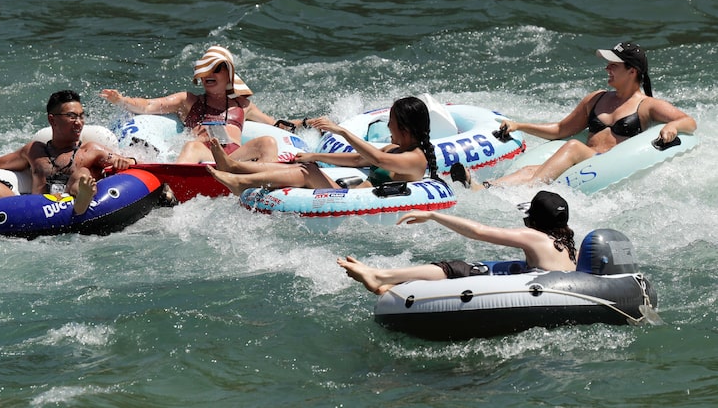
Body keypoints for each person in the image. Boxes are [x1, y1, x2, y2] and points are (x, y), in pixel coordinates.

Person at [451, 42, 697, 189]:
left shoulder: (647, 105)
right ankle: (482, 187)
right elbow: (560, 129)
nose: (606, 69)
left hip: (607, 163)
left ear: (632, 71)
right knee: (527, 170)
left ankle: (531, 191)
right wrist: (519, 125)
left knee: (571, 147)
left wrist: (673, 127)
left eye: (614, 65)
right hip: (584, 163)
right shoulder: (596, 98)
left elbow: (689, 121)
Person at [0, 90, 135, 215]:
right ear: (53, 119)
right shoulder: (35, 150)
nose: (79, 122)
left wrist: (125, 162)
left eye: (81, 115)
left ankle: (83, 198)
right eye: (71, 116)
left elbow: (127, 161)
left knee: (82, 175)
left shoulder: (91, 150)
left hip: (71, 207)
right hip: (33, 209)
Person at [337, 190, 576, 294]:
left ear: (533, 220)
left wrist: (432, 215)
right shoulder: (568, 242)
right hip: (558, 293)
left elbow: (478, 231)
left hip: (537, 295)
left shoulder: (536, 237)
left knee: (455, 268)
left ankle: (380, 276)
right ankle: (388, 285)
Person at [101, 45, 308, 164]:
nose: (210, 74)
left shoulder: (242, 104)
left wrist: (306, 124)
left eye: (217, 69)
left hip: (234, 158)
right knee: (193, 146)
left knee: (267, 142)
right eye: (206, 71)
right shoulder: (189, 100)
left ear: (229, 75)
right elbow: (147, 106)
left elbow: (275, 124)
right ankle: (172, 188)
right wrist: (122, 100)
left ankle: (264, 188)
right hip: (206, 154)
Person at [206, 96, 441, 195]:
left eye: (391, 123)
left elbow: (379, 161)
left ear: (406, 129)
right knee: (301, 166)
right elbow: (359, 160)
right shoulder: (395, 149)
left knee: (306, 173)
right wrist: (315, 155)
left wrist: (342, 132)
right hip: (348, 194)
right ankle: (233, 166)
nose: (388, 128)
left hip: (354, 202)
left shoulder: (415, 158)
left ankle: (240, 183)